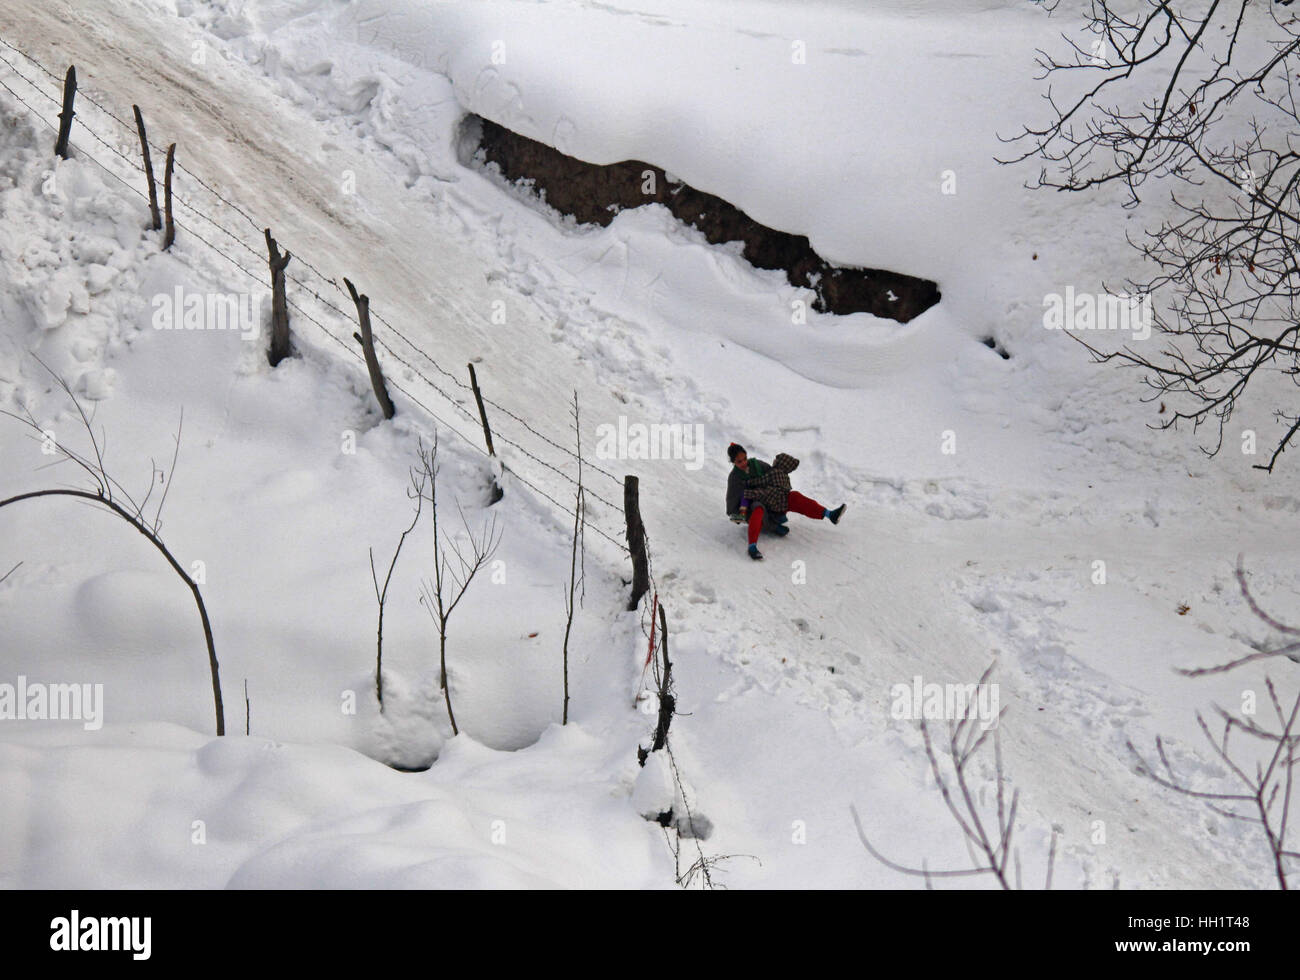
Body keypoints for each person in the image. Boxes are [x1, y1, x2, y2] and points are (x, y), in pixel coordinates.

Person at [725, 443, 846, 560]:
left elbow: (774, 475)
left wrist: (780, 487)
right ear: (733, 462)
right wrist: (739, 514)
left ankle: (830, 514)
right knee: (758, 508)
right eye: (739, 461)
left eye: (744, 458)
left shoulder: (757, 464)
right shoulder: (734, 477)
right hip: (752, 505)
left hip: (773, 499)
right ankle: (752, 547)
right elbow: (733, 499)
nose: (743, 463)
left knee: (794, 496)